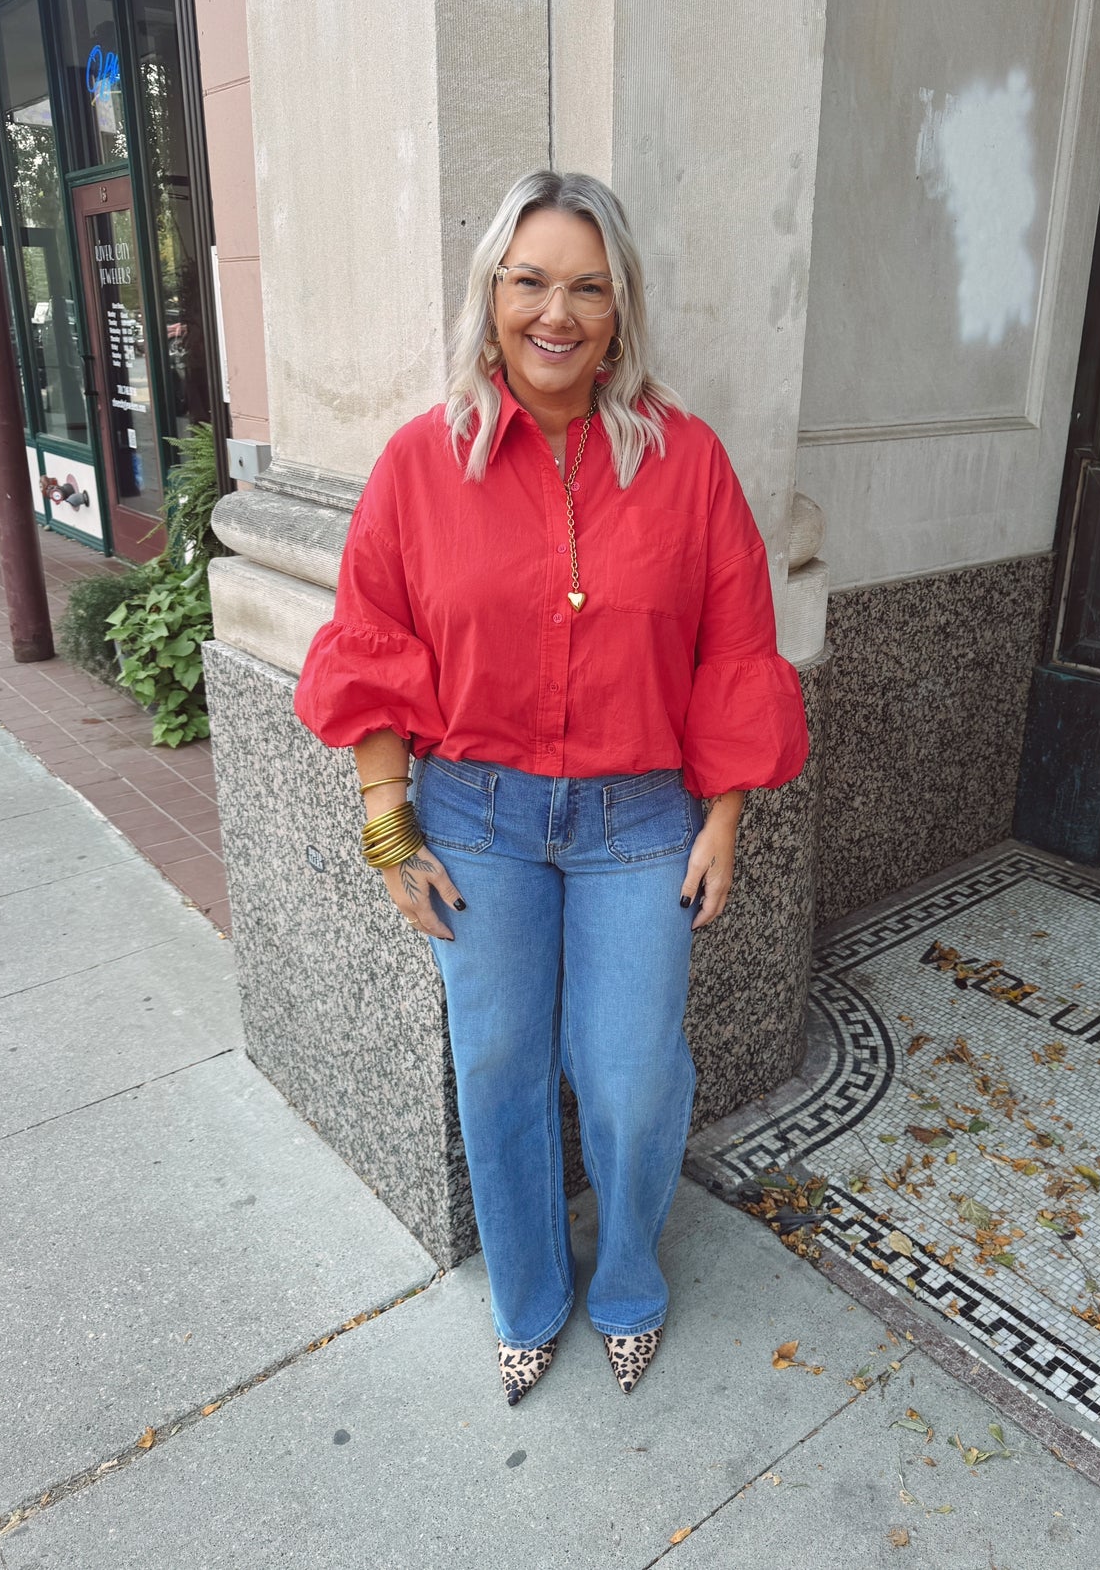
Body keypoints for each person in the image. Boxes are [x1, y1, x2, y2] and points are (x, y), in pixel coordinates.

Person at [294, 170, 809, 1406]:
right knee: (500, 1063)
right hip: (477, 816)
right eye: (530, 281)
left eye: (586, 285)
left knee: (632, 1074)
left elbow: (736, 646)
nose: (556, 312)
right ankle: (528, 1295)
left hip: (641, 821)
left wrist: (723, 816)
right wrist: (386, 817)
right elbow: (373, 632)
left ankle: (627, 1277)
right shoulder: (422, 464)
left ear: (620, 307)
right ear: (493, 296)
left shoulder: (686, 465)